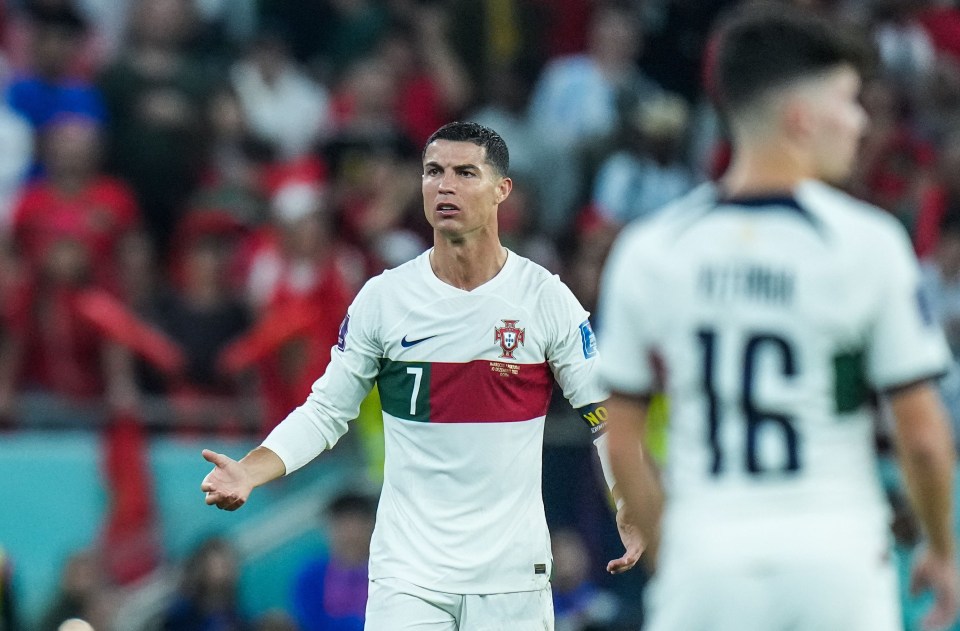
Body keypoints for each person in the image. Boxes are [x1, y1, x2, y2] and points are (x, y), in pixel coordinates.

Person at [599, 5, 959, 631]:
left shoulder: (651, 250)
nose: (861, 121)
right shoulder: (866, 243)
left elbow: (620, 436)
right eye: (849, 100)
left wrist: (670, 554)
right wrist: (942, 549)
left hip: (707, 565)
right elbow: (923, 437)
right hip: (838, 563)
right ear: (801, 118)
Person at [200, 121, 643, 630]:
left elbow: (605, 417)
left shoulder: (545, 300)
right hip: (407, 574)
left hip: (511, 575)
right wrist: (251, 470)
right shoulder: (384, 300)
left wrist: (629, 502)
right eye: (433, 171)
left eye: (464, 173)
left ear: (503, 191)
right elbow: (325, 411)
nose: (445, 185)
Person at [292, 491, 376, 631]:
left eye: (356, 522)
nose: (350, 533)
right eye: (342, 523)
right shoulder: (311, 578)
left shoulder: (390, 568)